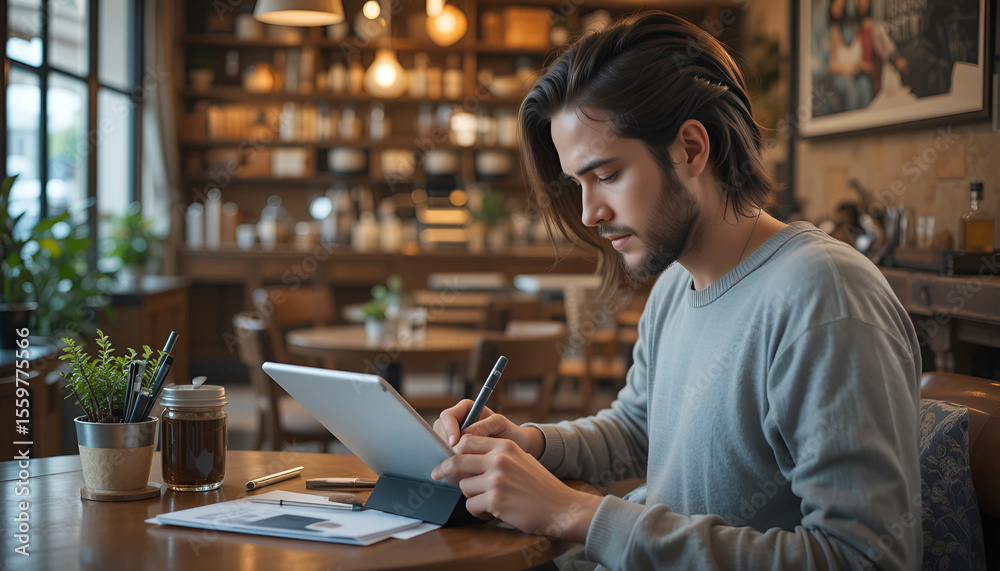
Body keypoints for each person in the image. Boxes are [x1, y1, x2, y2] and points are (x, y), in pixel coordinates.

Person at [431, 11, 921, 570]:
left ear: (690, 149)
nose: (590, 213)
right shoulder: (673, 288)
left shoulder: (823, 295)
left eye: (607, 175)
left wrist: (575, 514)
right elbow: (639, 428)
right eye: (578, 184)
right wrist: (532, 443)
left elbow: (865, 558)